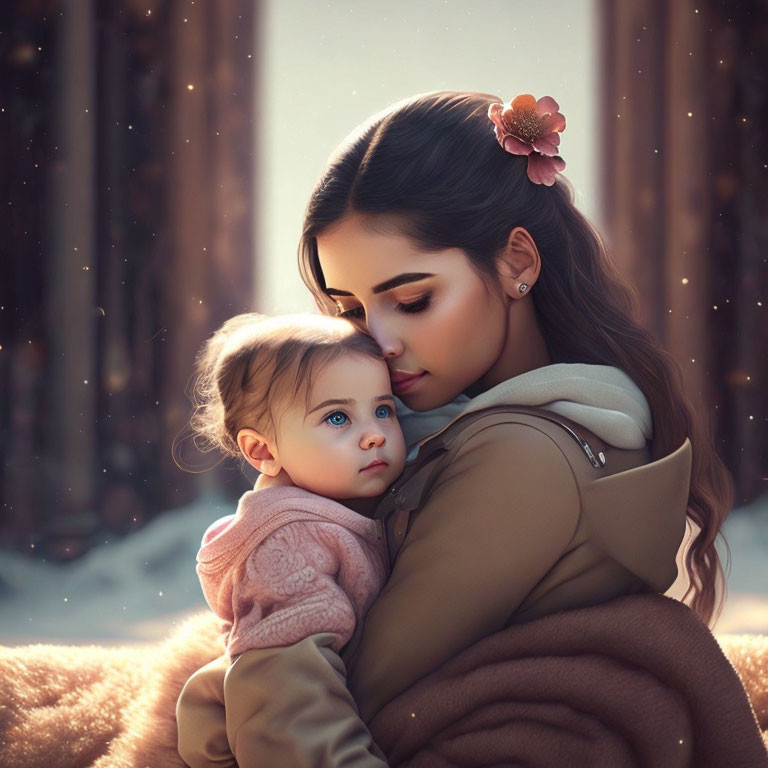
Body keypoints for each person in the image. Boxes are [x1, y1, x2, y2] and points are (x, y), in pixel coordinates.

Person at [176, 91, 733, 767]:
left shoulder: (521, 458)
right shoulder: (545, 418)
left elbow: (358, 692)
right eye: (348, 309)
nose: (378, 342)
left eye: (412, 300)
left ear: (518, 263)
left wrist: (223, 683)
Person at [177, 312, 405, 766]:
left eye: (383, 409)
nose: (375, 435)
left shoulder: (341, 505)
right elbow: (286, 701)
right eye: (338, 417)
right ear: (263, 450)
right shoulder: (289, 544)